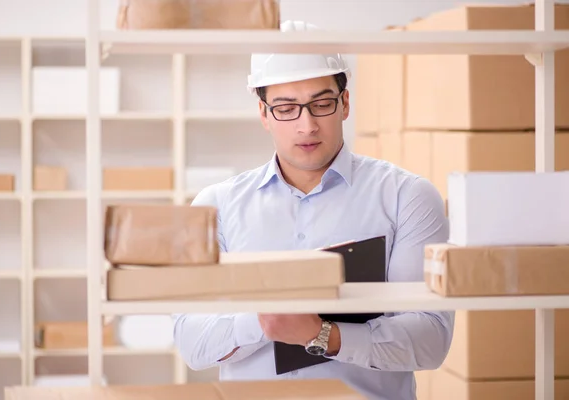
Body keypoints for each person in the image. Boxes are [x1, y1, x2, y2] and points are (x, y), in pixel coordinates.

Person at [173, 20, 454, 400]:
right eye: (286, 108)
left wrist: (321, 334)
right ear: (263, 113)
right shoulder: (216, 206)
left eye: (321, 104)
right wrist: (262, 320)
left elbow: (431, 338)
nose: (306, 126)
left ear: (345, 103)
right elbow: (192, 343)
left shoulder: (408, 197)